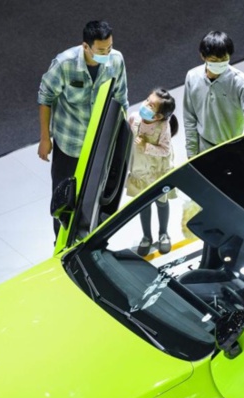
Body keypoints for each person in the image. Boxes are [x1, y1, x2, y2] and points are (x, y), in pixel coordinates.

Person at [37, 20, 129, 236]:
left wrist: (122, 137)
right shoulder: (64, 64)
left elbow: (121, 97)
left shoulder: (116, 60)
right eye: (101, 50)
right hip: (70, 145)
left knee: (96, 196)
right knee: (63, 200)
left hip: (100, 144)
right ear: (86, 46)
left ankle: (89, 240)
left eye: (110, 47)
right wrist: (44, 138)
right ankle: (59, 246)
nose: (107, 53)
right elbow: (45, 98)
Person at [183, 30, 244, 158]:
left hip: (236, 147)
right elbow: (189, 118)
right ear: (203, 56)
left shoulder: (241, 81)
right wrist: (191, 154)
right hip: (205, 148)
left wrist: (243, 146)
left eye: (224, 59)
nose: (219, 64)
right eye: (214, 60)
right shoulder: (192, 77)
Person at [127, 88, 179, 256]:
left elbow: (165, 150)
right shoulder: (134, 118)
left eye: (151, 105)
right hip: (140, 169)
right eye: (147, 101)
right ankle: (146, 236)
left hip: (157, 171)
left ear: (158, 116)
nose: (145, 105)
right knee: (143, 204)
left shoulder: (163, 127)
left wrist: (145, 146)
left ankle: (163, 233)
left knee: (161, 201)